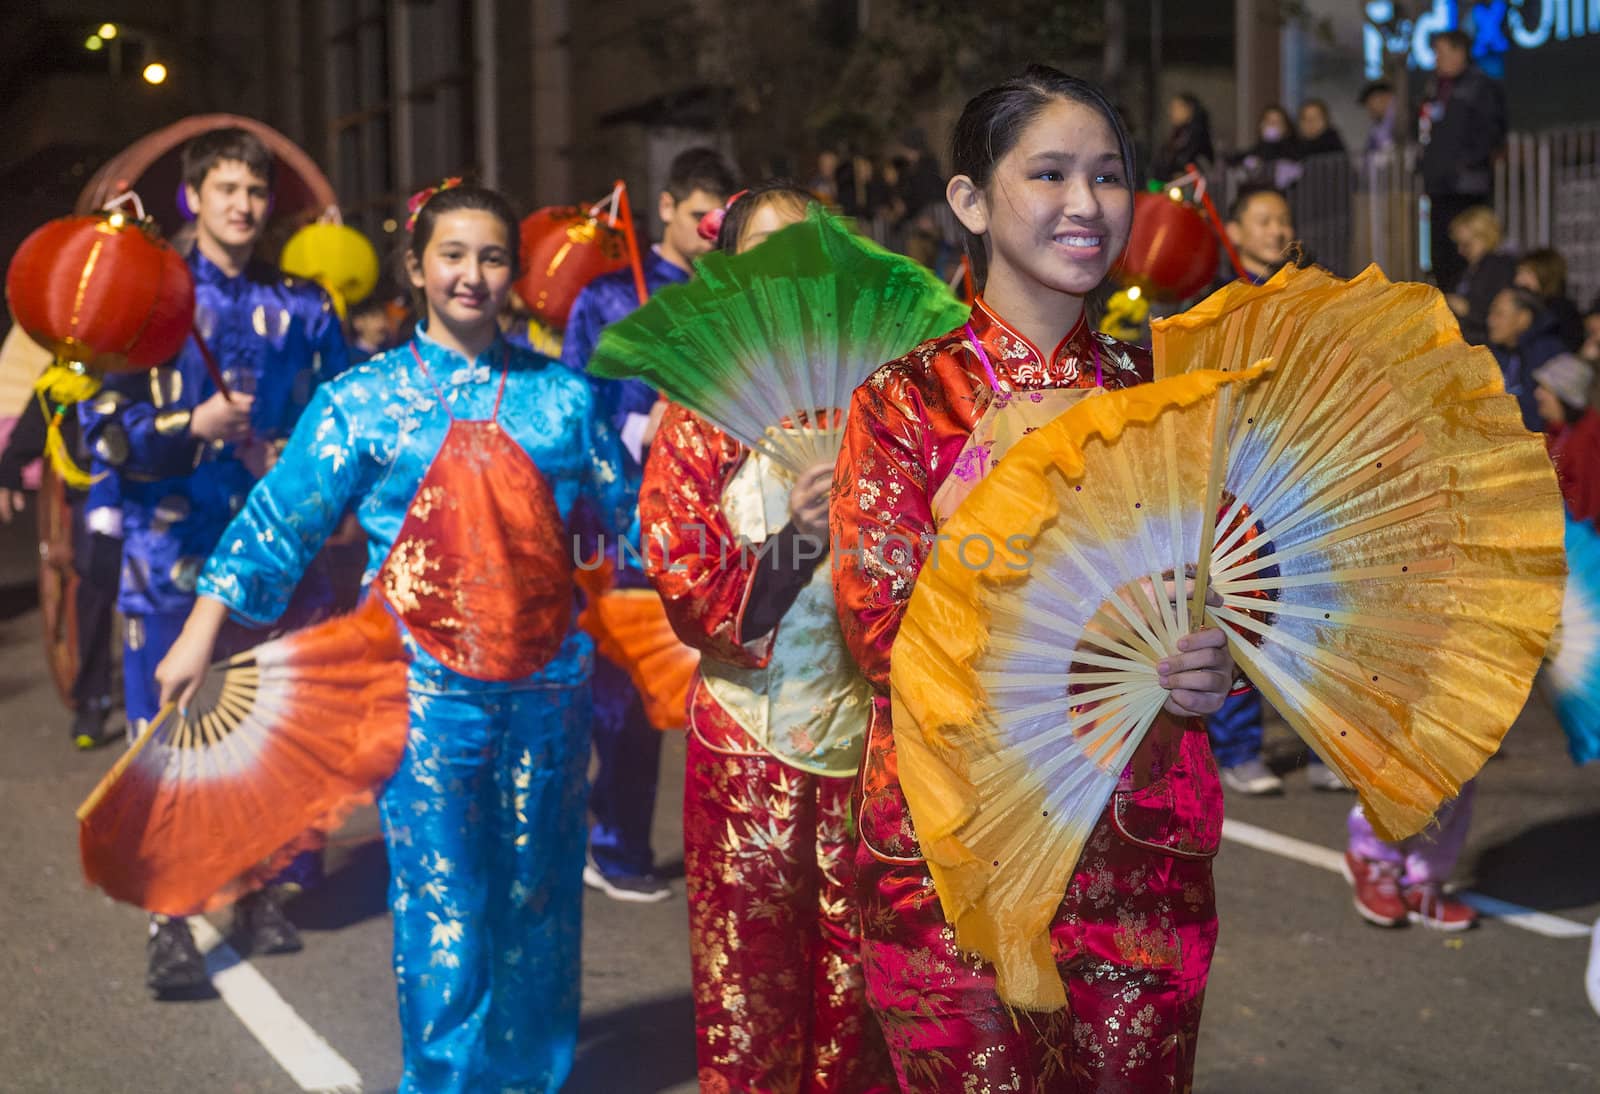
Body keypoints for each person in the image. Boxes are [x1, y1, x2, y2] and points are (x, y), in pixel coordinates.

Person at [155, 182, 632, 1093]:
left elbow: (641, 519)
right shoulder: (361, 401)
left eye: (492, 257)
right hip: (421, 701)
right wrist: (199, 633)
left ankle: (531, 1079)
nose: (472, 275)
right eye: (452, 255)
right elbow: (277, 523)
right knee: (443, 910)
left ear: (513, 276)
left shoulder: (565, 399)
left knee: (538, 904)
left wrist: (761, 529)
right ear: (417, 267)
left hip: (548, 701)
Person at [831, 65, 1235, 1089]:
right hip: (958, 845)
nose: (1084, 203)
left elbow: (1224, 588)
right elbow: (880, 626)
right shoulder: (904, 404)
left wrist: (1211, 659)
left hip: (1141, 851)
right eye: (1047, 172)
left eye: (1108, 176)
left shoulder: (1169, 398)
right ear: (969, 199)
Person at [77, 127, 351, 996]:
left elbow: (345, 412)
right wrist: (187, 429)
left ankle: (264, 888)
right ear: (193, 198)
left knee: (262, 731)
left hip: (274, 555)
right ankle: (170, 917)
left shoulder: (306, 305)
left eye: (256, 191)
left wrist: (298, 458)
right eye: (225, 188)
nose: (242, 204)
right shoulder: (147, 297)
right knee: (171, 739)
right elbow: (99, 428)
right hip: (169, 557)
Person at [639, 182, 892, 1094]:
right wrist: (796, 540)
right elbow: (685, 580)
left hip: (872, 756)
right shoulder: (703, 408)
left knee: (861, 1002)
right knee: (748, 1000)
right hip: (749, 748)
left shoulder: (886, 395)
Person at [561, 146, 738, 903]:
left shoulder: (733, 301)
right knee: (628, 688)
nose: (709, 230)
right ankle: (613, 839)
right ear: (665, 208)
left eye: (721, 218)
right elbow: (574, 405)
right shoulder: (606, 299)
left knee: (719, 691)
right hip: (625, 519)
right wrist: (642, 422)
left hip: (720, 521)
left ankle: (731, 850)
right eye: (699, 212)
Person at [1210, 187, 1348, 793]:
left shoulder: (1312, 292)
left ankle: (1322, 743)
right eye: (1263, 220)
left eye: (1282, 219)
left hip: (1301, 469)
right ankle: (1239, 748)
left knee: (1314, 607)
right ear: (1234, 230)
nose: (1275, 229)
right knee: (1243, 605)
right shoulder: (1214, 298)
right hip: (1239, 473)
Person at [0, 396, 122, 748]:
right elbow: (44, 410)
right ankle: (93, 697)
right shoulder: (72, 362)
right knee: (92, 584)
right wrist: (12, 464)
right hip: (88, 489)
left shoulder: (156, 353)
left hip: (150, 487)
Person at [1421, 28, 1507, 294]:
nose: (1437, 59)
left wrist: (1464, 164)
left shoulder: (1480, 86)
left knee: (1467, 250)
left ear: (1460, 53)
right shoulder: (1436, 87)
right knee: (1441, 254)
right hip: (1440, 186)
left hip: (1466, 187)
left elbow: (1492, 132)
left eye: (1442, 53)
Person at [1488, 285, 1568, 432]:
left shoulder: (1548, 354)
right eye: (1491, 313)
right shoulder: (1497, 352)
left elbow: (1545, 415)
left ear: (1523, 318)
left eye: (1499, 314)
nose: (1490, 321)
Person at [1444, 205, 1518, 346]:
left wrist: (1466, 308)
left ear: (1485, 237)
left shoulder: (1499, 267)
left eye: (1467, 245)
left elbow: (1501, 314)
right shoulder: (1471, 269)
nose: (1460, 251)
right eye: (1459, 244)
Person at [1513, 248, 1585, 353]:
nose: (1518, 280)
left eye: (1526, 273)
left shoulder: (1561, 310)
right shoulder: (1531, 305)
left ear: (1545, 273)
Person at [1234, 104, 1302, 190]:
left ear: (1286, 128)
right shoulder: (1255, 151)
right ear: (1261, 125)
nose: (1272, 125)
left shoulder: (1292, 152)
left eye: (1277, 122)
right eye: (1268, 121)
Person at [1151, 92, 1216, 182]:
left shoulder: (1198, 135)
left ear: (1189, 109)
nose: (1171, 112)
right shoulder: (1176, 135)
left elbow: (1193, 163)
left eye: (1177, 108)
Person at [1359, 80, 1398, 160]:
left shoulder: (1401, 117)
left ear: (1385, 97)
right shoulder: (1377, 126)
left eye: (1370, 102)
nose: (1369, 108)